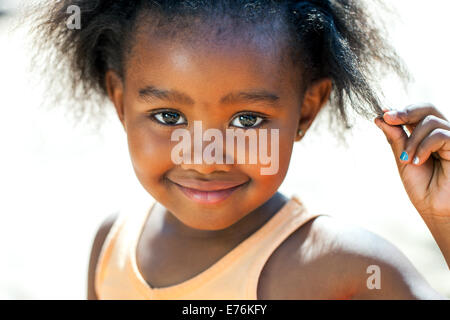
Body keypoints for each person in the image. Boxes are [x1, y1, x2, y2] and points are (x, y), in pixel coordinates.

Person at [32, 0, 450, 299]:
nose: (204, 157)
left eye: (246, 120)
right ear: (121, 102)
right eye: (168, 116)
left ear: (306, 111)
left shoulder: (346, 267)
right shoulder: (112, 244)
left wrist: (445, 218)